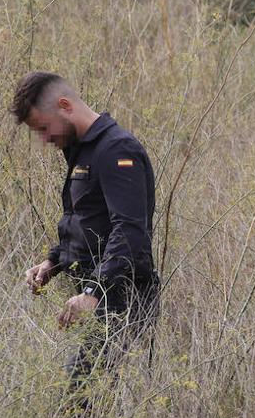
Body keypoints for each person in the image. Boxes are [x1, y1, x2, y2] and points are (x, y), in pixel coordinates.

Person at [12, 72, 158, 401]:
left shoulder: (116, 148)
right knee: (85, 399)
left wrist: (95, 292)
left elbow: (130, 230)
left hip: (125, 298)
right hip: (101, 297)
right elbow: (86, 221)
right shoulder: (83, 151)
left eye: (43, 127)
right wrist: (53, 262)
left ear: (64, 105)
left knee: (81, 398)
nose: (44, 139)